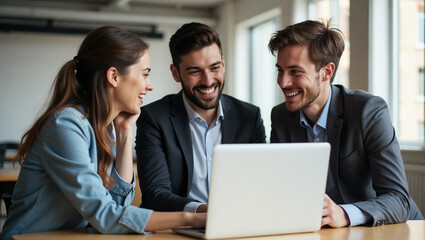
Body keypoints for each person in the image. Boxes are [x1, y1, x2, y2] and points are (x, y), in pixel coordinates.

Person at [0, 26, 206, 240]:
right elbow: (106, 217)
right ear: (114, 76)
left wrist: (125, 133)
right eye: (145, 74)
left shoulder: (103, 127)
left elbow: (117, 207)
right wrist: (192, 218)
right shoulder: (66, 126)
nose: (150, 86)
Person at [268, 19, 424, 228]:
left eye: (295, 72)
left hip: (393, 230)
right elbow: (282, 189)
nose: (283, 82)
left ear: (327, 71)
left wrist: (344, 214)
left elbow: (398, 199)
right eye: (280, 70)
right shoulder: (281, 117)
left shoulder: (368, 111)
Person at [135, 22, 266, 213]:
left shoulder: (249, 117)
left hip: (238, 223)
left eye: (214, 68)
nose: (208, 81)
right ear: (175, 73)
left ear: (223, 64)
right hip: (176, 228)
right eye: (195, 71)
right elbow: (155, 194)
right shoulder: (154, 118)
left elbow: (261, 183)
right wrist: (205, 212)